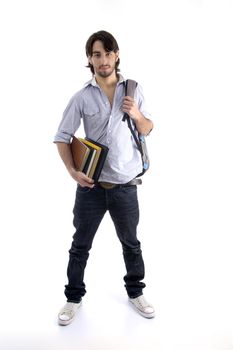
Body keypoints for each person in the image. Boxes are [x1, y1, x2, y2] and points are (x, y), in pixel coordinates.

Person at [54, 30, 155, 326]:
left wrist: (136, 114)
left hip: (125, 186)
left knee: (131, 244)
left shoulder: (133, 90)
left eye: (108, 53)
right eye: (96, 54)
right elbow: (62, 136)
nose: (103, 60)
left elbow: (148, 128)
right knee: (80, 245)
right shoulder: (81, 97)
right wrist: (73, 172)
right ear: (89, 59)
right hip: (91, 188)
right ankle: (73, 298)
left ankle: (136, 292)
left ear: (117, 54)